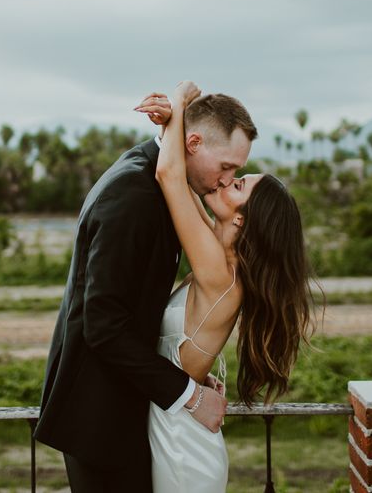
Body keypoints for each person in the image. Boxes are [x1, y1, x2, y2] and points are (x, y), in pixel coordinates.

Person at [34, 81, 259, 492]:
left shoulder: (155, 181)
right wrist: (188, 393)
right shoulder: (134, 193)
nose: (227, 179)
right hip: (100, 416)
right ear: (194, 142)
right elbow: (102, 324)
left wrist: (185, 368)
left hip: (129, 407)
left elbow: (136, 310)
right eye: (226, 166)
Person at [138, 81, 316, 492]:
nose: (223, 182)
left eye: (237, 185)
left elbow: (168, 173)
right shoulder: (217, 256)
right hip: (176, 429)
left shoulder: (220, 273)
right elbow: (181, 181)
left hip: (181, 449)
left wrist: (182, 99)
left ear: (242, 220)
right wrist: (173, 127)